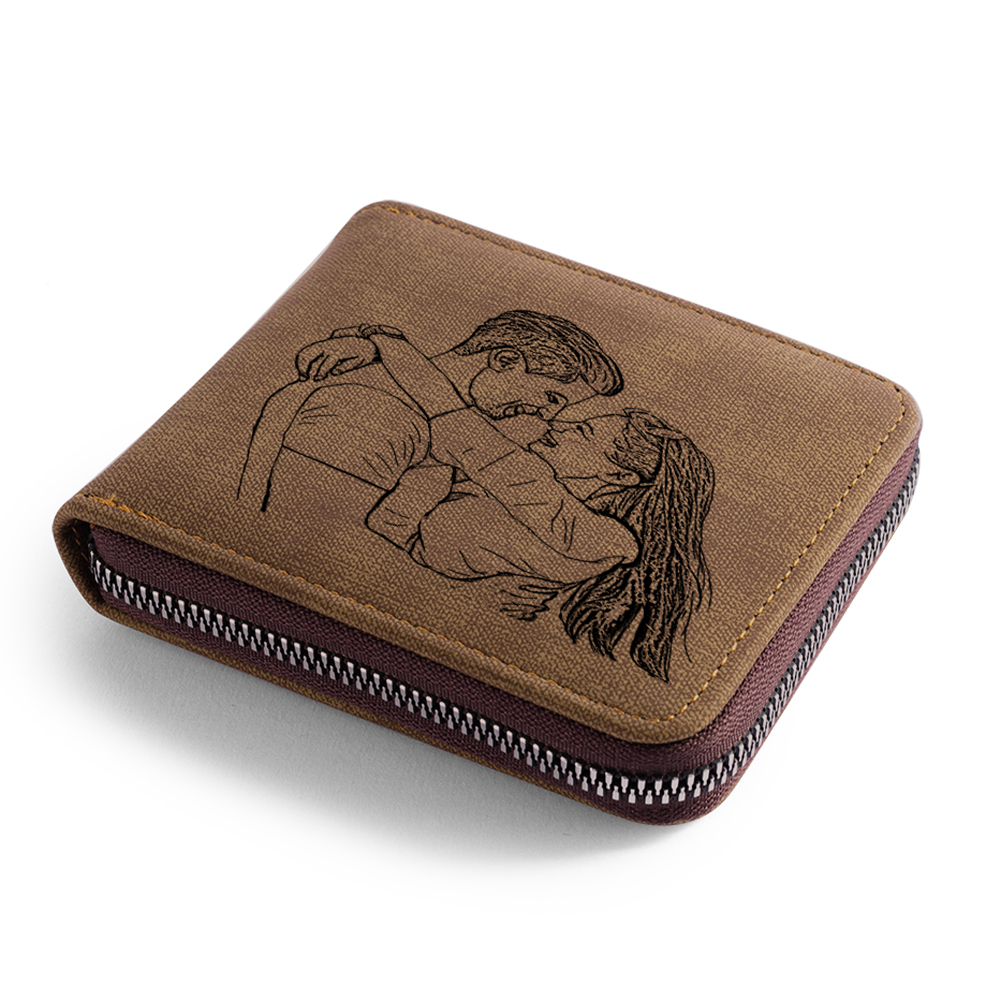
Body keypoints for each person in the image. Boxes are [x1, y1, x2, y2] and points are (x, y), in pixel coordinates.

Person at [364, 335, 715, 683]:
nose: (559, 424)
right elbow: (392, 522)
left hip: (470, 668)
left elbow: (462, 431)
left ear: (618, 475)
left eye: (582, 431)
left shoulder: (606, 541)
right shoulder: (514, 489)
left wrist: (385, 341)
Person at [236, 311, 623, 512]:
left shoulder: (414, 420)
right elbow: (321, 546)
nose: (547, 416)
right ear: (505, 360)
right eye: (552, 398)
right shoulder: (380, 418)